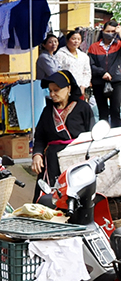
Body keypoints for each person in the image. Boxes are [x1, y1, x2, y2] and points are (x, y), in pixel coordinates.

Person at [32, 70, 94, 198]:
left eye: (56, 90)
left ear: (68, 88)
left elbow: (91, 135)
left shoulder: (83, 108)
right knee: (50, 197)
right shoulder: (47, 111)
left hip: (76, 159)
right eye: (50, 91)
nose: (52, 94)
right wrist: (37, 155)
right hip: (52, 160)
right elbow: (39, 137)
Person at [88, 20, 121, 127]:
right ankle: (104, 134)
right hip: (99, 81)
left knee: (115, 110)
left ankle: (116, 135)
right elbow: (90, 65)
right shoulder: (94, 47)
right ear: (103, 31)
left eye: (113, 31)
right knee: (103, 112)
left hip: (116, 81)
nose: (110, 33)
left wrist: (120, 33)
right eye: (108, 31)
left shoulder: (118, 45)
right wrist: (102, 73)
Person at [55, 31, 91, 95]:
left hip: (79, 87)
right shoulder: (60, 54)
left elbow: (87, 72)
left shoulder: (83, 56)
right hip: (65, 87)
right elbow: (58, 70)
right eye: (73, 39)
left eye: (78, 39)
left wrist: (83, 86)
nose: (76, 41)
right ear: (67, 40)